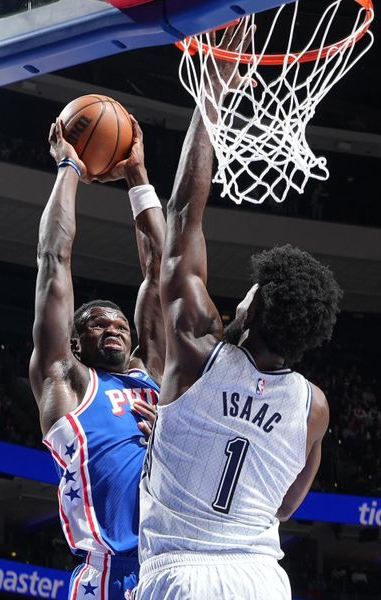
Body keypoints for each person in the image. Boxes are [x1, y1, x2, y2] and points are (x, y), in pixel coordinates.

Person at [135, 23, 342, 600]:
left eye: (249, 293)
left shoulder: (199, 351)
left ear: (252, 313)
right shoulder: (314, 407)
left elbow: (184, 218)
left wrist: (216, 89)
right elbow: (284, 505)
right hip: (260, 578)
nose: (241, 296)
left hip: (180, 570)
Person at [30, 114, 166, 599]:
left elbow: (158, 270)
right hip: (111, 571)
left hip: (174, 563)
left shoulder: (148, 375)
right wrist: (68, 166)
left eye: (120, 325)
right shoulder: (66, 380)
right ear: (74, 342)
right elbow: (54, 260)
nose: (114, 327)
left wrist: (138, 178)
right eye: (98, 324)